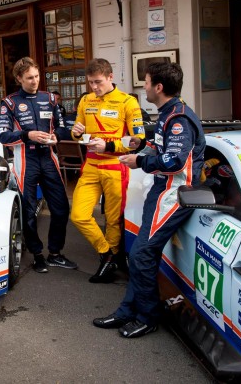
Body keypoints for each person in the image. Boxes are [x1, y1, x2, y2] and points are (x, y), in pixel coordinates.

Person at [93, 62, 205, 338]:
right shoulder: (167, 114)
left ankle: (147, 316)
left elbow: (175, 161)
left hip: (175, 194)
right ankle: (127, 311)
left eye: (145, 82)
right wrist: (138, 145)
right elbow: (159, 147)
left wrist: (140, 160)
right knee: (141, 253)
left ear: (159, 87)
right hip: (161, 191)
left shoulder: (179, 119)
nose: (142, 87)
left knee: (142, 254)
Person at [69, 59, 145, 283]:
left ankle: (108, 265)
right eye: (91, 82)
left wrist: (109, 146)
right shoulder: (85, 100)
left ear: (110, 77)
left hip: (116, 166)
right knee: (79, 215)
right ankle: (107, 254)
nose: (94, 87)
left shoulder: (127, 102)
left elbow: (138, 141)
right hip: (91, 165)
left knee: (113, 220)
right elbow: (78, 135)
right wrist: (76, 133)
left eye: (98, 82)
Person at [0, 57, 77, 273]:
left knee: (61, 208)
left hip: (48, 158)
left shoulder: (50, 98)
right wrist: (27, 135)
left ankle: (55, 253)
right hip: (26, 160)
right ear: (19, 79)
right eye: (29, 78)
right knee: (30, 210)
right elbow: (3, 136)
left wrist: (55, 138)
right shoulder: (9, 103)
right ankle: (37, 255)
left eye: (37, 76)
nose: (34, 81)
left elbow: (62, 128)